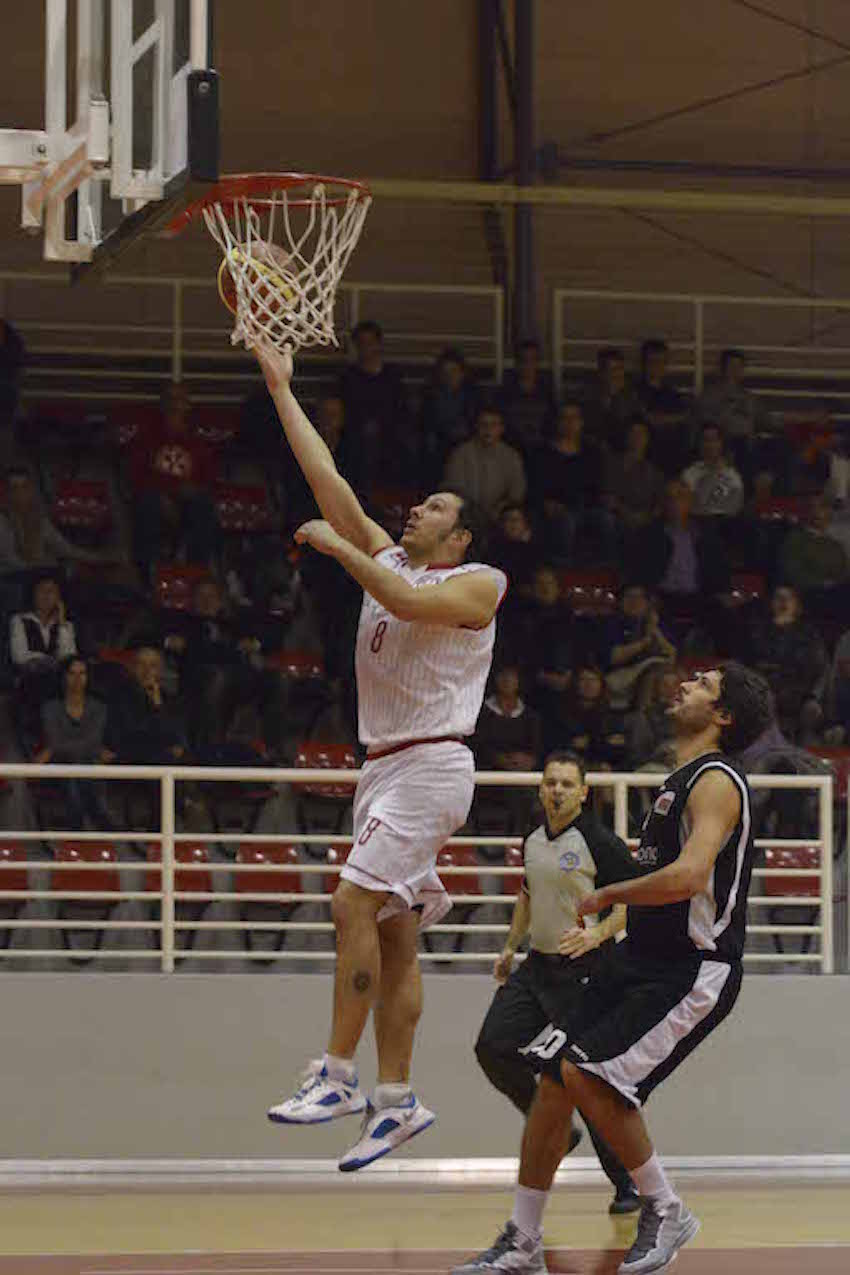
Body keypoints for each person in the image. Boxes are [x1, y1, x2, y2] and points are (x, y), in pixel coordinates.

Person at [254, 342, 507, 1172]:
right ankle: (396, 1099)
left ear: (459, 534)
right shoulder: (390, 557)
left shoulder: (481, 582)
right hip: (385, 766)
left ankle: (336, 1074)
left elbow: (400, 595)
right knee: (396, 936)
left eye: (433, 507)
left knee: (351, 901)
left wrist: (339, 549)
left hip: (433, 763)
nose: (415, 511)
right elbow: (324, 474)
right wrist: (280, 385)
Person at [454, 662, 773, 1275]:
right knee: (554, 1079)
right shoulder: (676, 780)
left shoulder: (716, 781)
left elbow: (689, 877)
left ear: (723, 715)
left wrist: (607, 897)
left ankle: (666, 1207)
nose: (687, 684)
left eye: (704, 684)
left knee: (591, 1076)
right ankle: (522, 1239)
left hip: (691, 969)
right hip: (639, 960)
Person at [474, 751, 640, 1216]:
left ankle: (628, 1184)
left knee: (582, 1078)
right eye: (551, 783)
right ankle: (556, 1130)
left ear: (584, 792)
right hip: (536, 968)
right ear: (540, 789)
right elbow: (527, 896)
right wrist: (510, 947)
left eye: (568, 784)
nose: (558, 791)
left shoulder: (600, 842)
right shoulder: (531, 838)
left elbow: (633, 902)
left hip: (585, 973)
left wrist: (596, 935)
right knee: (492, 1046)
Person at [129, 383, 220, 579]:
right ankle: (147, 575)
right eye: (170, 399)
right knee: (148, 505)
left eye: (180, 400)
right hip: (155, 498)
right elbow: (137, 476)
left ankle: (197, 573)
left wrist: (188, 492)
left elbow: (209, 478)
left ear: (188, 405)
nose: (175, 405)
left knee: (203, 507)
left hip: (190, 500)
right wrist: (165, 493)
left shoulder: (198, 441)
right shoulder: (146, 438)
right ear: (162, 404)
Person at [37, 656, 114, 829]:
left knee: (80, 768)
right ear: (63, 677)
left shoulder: (99, 707)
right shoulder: (50, 708)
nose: (77, 679)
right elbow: (55, 741)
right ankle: (97, 820)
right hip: (61, 764)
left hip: (90, 763)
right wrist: (93, 748)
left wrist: (56, 748)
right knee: (74, 769)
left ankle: (78, 825)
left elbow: (93, 739)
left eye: (82, 673)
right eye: (72, 673)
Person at [530, 401, 611, 562]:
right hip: (556, 508)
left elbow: (597, 486)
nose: (569, 423)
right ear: (557, 422)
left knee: (607, 520)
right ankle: (563, 566)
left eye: (574, 418)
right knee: (567, 522)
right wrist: (546, 503)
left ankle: (605, 567)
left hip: (587, 507)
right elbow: (535, 487)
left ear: (581, 422)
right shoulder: (542, 453)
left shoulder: (591, 452)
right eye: (565, 418)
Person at [10, 574, 78, 751]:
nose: (47, 595)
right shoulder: (19, 620)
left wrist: (61, 622)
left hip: (57, 679)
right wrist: (49, 660)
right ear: (33, 594)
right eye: (42, 591)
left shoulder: (65, 625)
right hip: (29, 677)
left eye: (52, 591)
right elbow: (20, 655)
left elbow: (69, 656)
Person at [443, 404, 527, 523]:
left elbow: (516, 493)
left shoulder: (511, 456)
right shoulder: (460, 455)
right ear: (476, 427)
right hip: (467, 517)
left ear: (501, 428)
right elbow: (454, 490)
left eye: (493, 425)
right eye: (484, 425)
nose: (488, 429)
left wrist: (500, 509)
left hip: (501, 518)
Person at [499, 340, 556, 456]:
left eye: (533, 360)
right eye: (524, 360)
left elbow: (553, 423)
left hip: (541, 450)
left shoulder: (547, 392)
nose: (528, 365)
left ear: (538, 363)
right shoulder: (504, 392)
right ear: (516, 363)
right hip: (511, 450)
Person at [680, 425, 745, 520]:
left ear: (721, 444)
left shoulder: (732, 474)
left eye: (714, 440)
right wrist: (714, 472)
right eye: (706, 440)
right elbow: (695, 505)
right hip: (697, 522)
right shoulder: (689, 473)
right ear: (699, 444)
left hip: (726, 523)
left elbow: (735, 506)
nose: (710, 445)